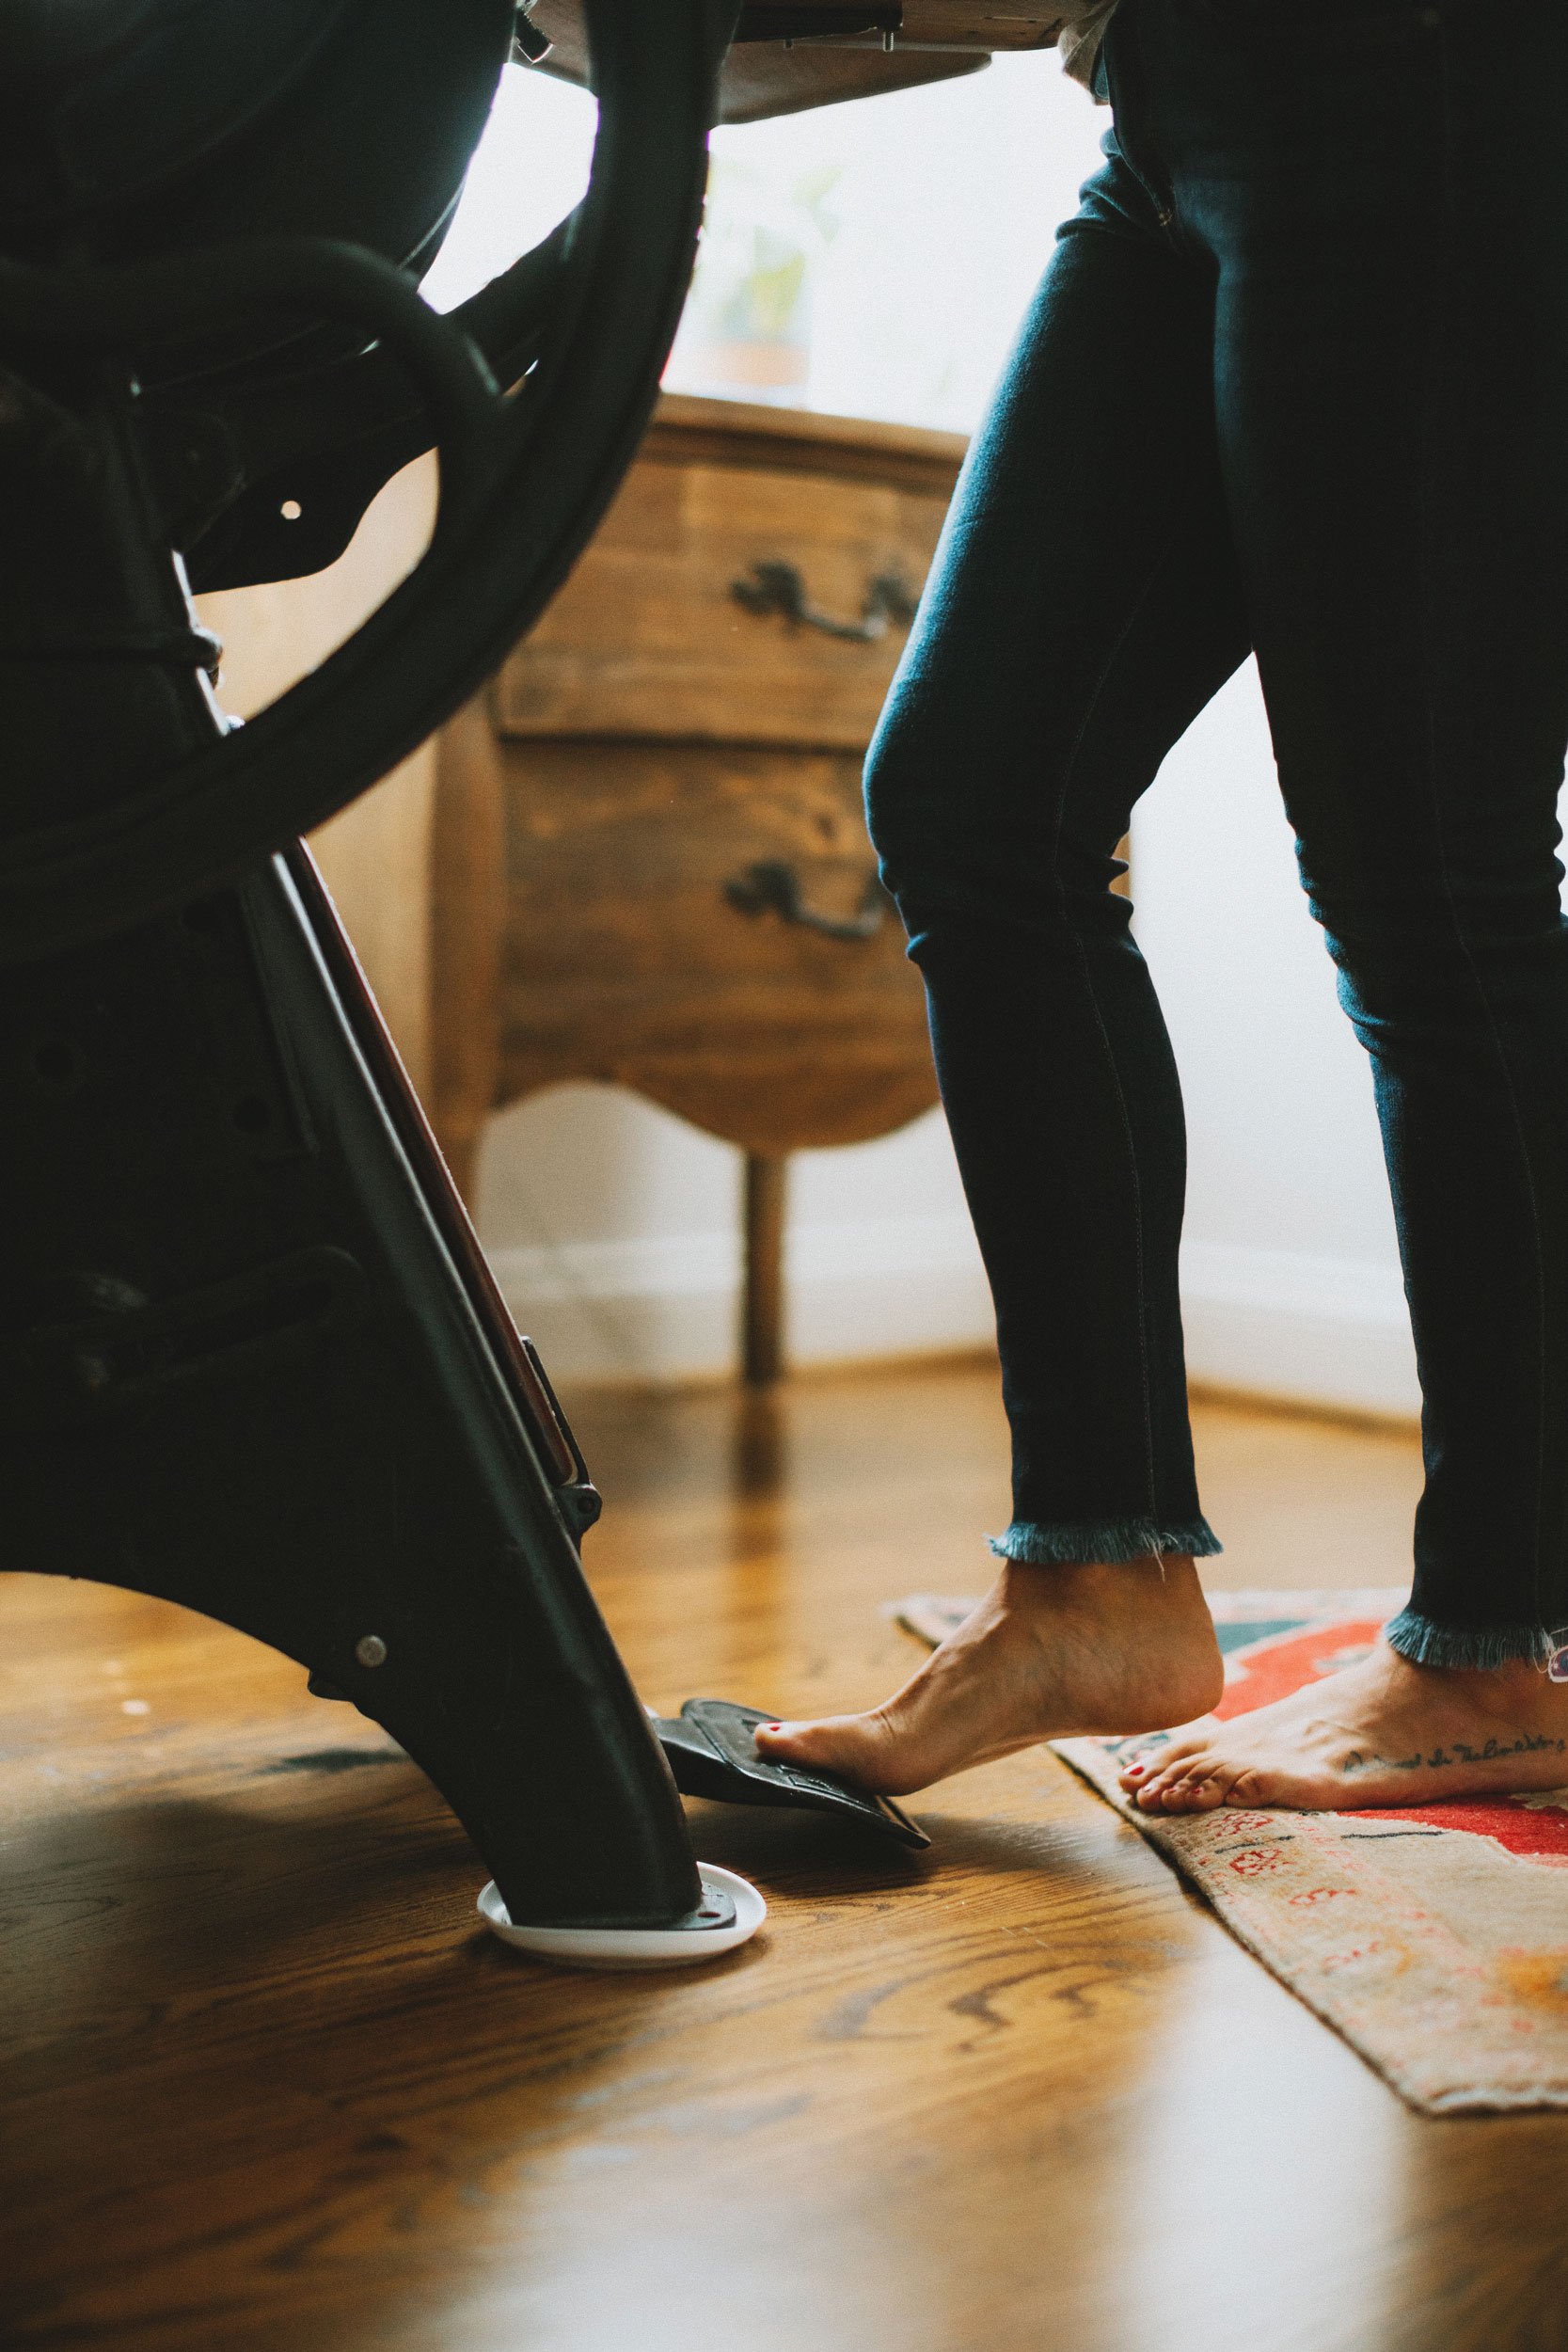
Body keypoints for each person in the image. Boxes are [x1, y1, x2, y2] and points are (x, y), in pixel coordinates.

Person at [757, 0, 1568, 1815]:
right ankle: (1097, 1577)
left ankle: (1505, 1649)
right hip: (1172, 101)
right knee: (976, 798)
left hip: (1437, 74)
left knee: (1431, 873)